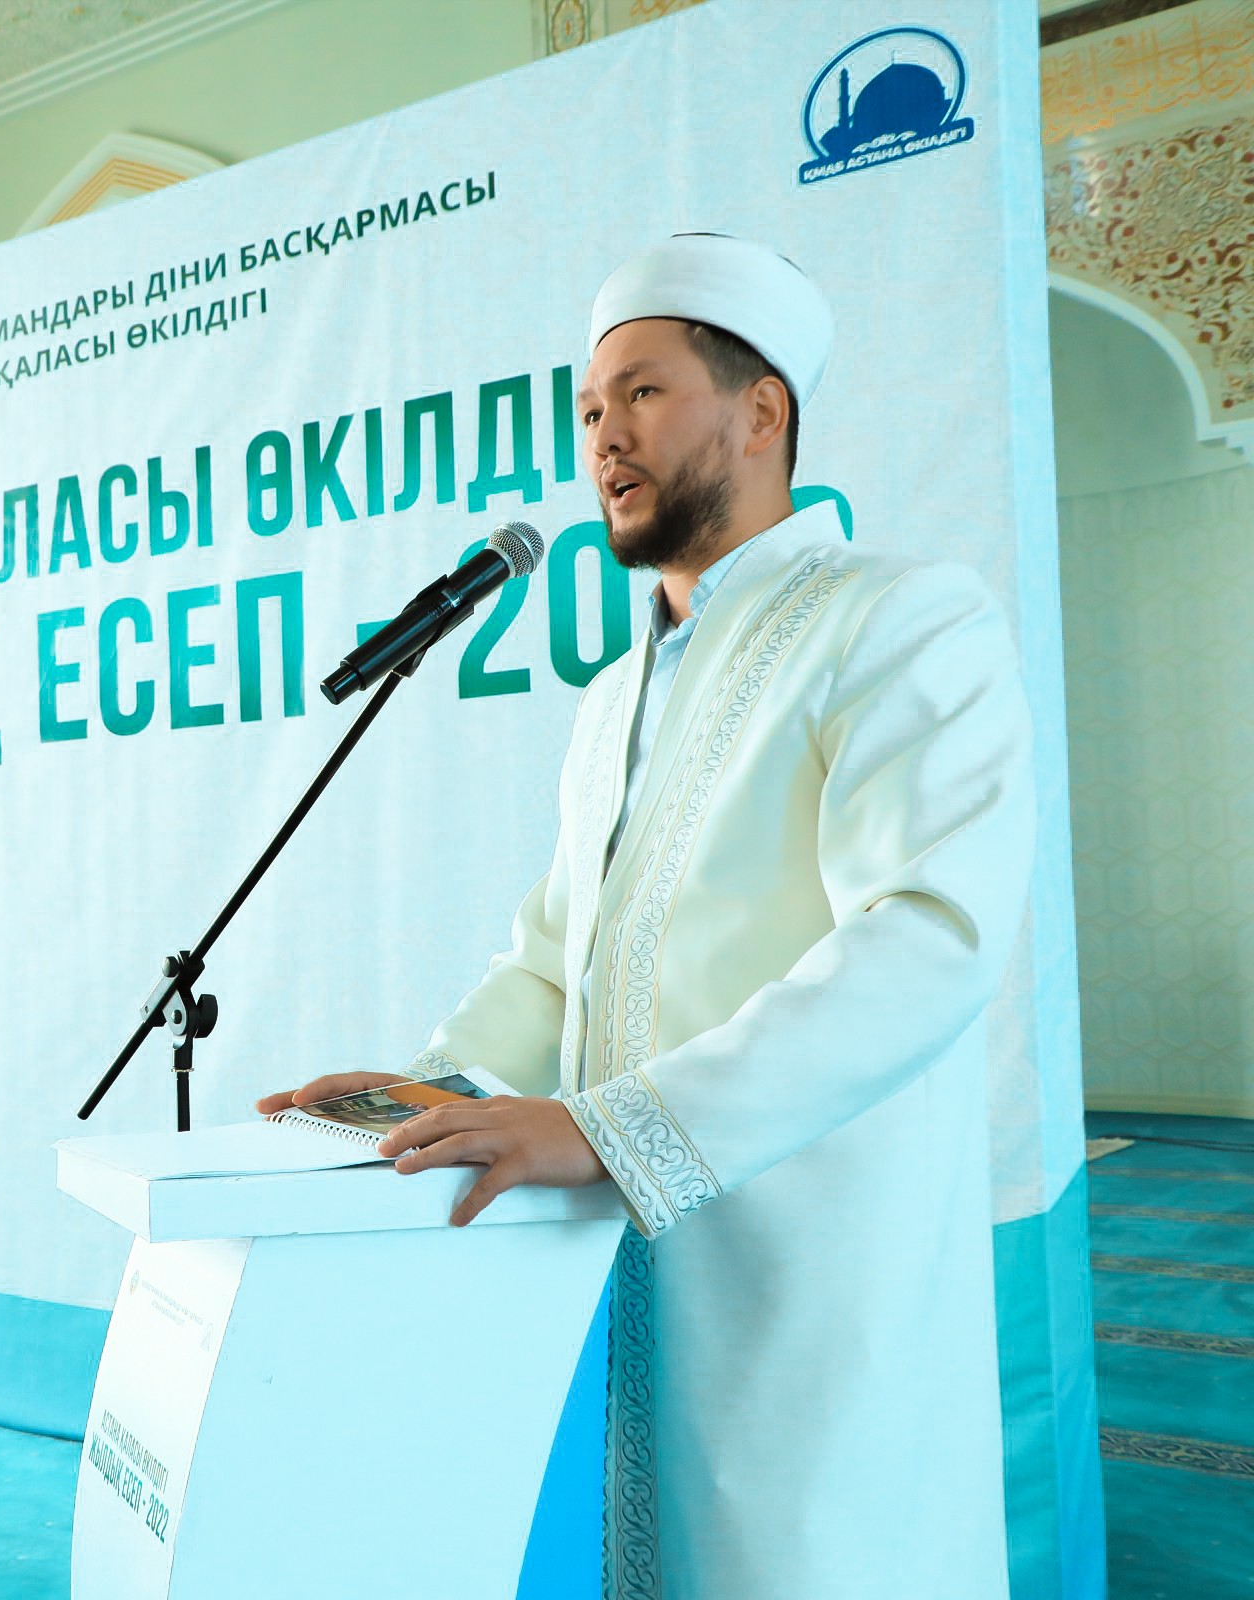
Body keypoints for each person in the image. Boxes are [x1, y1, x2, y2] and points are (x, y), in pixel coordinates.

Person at [259, 233, 1029, 1599]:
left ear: (762, 410)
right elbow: (559, 957)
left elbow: (929, 938)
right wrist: (432, 1091)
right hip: (628, 1265)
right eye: (587, 410)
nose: (603, 437)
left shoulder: (901, 618)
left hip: (814, 1277)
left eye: (642, 393)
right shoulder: (618, 693)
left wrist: (615, 1131)